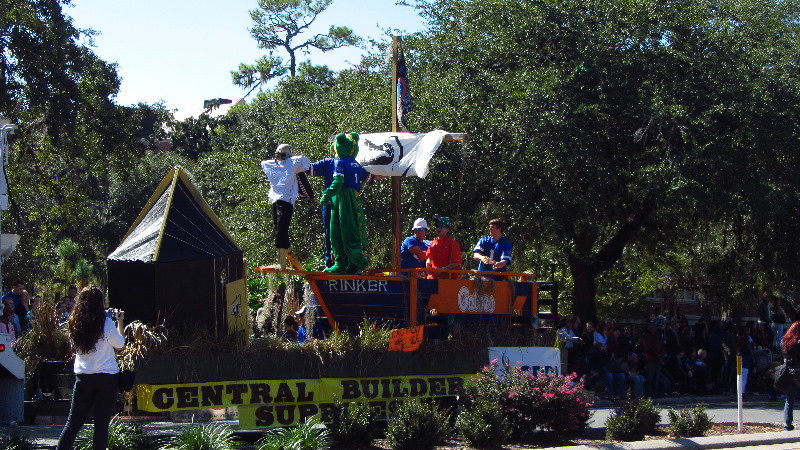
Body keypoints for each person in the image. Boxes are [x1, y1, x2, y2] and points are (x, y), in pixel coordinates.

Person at [57, 287, 125, 450]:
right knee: (101, 426)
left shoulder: (74, 322)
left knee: (72, 424)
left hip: (84, 376)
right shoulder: (106, 322)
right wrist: (120, 322)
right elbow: (120, 346)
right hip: (107, 378)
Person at [320, 132, 372, 274]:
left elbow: (338, 181)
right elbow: (368, 177)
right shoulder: (357, 164)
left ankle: (344, 262)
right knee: (353, 227)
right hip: (354, 198)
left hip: (342, 198)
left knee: (338, 230)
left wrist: (327, 194)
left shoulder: (340, 162)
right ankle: (352, 263)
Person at [261, 143, 312, 268]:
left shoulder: (272, 164)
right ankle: (289, 256)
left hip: (286, 201)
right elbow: (305, 163)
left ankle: (281, 262)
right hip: (276, 199)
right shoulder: (293, 162)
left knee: (281, 230)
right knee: (280, 230)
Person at [425, 215, 462, 280]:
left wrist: (443, 269)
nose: (438, 228)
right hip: (432, 279)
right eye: (437, 225)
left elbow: (456, 262)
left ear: (447, 229)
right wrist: (427, 266)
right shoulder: (433, 243)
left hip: (448, 280)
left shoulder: (453, 243)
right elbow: (428, 258)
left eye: (441, 226)